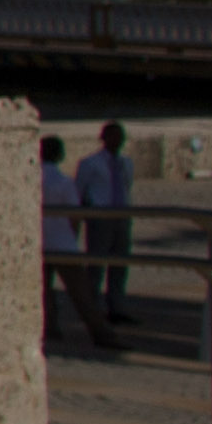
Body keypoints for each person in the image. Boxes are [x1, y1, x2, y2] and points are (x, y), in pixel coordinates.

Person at [38, 134, 112, 353]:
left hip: (40, 241)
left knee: (44, 291)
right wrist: (73, 233)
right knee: (81, 292)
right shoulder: (63, 181)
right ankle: (99, 331)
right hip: (62, 242)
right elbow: (74, 214)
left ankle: (49, 327)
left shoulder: (34, 177)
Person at [75, 121, 137, 334]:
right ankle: (92, 307)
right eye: (113, 136)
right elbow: (80, 190)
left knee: (120, 263)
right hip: (100, 216)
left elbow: (127, 187)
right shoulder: (90, 163)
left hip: (122, 216)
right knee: (97, 263)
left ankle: (117, 306)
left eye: (121, 137)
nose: (117, 141)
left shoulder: (126, 163)